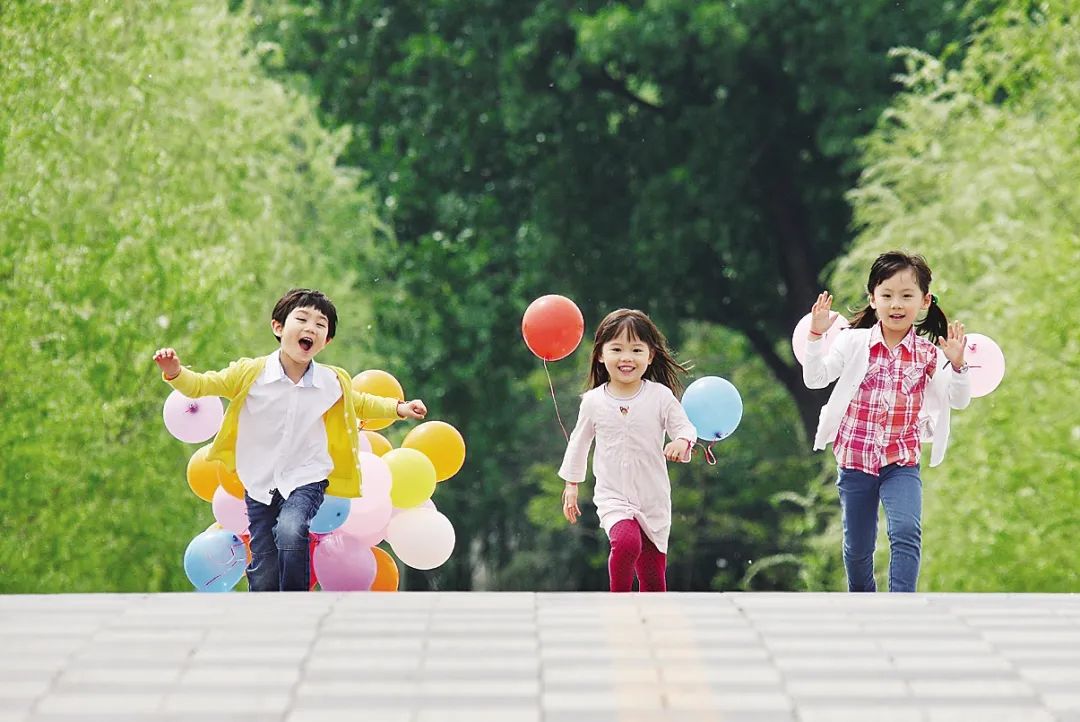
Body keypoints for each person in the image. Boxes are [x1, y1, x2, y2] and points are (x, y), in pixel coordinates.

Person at [153, 288, 426, 592]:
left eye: (320, 324)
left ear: (327, 341)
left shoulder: (331, 382)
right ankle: (266, 611)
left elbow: (359, 403)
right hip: (259, 481)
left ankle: (296, 603)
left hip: (308, 477)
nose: (311, 327)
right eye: (302, 319)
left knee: (291, 527)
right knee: (265, 559)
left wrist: (398, 408)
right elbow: (205, 384)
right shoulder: (250, 374)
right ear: (278, 327)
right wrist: (176, 373)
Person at [803, 251, 971, 592]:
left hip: (901, 460)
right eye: (887, 295)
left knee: (907, 530)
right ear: (873, 299)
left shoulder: (928, 354)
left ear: (924, 301)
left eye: (907, 296)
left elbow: (958, 399)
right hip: (855, 459)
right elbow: (815, 378)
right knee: (858, 547)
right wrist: (816, 337)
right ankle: (864, 604)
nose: (897, 304)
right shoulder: (853, 343)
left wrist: (957, 366)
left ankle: (901, 606)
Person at [559, 308, 698, 592]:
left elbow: (684, 428)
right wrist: (571, 484)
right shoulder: (594, 401)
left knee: (653, 576)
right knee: (625, 543)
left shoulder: (660, 396)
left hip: (653, 497)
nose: (626, 358)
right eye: (617, 349)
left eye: (636, 349)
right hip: (613, 496)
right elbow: (579, 442)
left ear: (650, 356)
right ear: (600, 354)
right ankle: (618, 604)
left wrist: (681, 443)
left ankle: (654, 628)